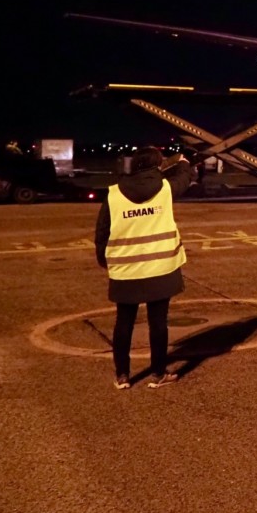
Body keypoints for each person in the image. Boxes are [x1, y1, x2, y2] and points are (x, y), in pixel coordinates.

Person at [95, 147, 193, 389]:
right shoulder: (165, 189)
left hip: (126, 270)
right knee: (158, 323)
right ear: (157, 166)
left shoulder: (114, 194)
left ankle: (122, 375)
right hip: (160, 268)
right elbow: (184, 177)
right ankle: (158, 373)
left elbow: (102, 232)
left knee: (124, 322)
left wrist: (104, 259)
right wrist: (182, 162)